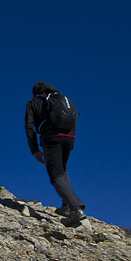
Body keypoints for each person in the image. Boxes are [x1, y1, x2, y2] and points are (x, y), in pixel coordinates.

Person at [25, 81, 86, 226]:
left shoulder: (34, 102)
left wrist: (34, 150)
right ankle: (66, 207)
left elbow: (29, 127)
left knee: (56, 175)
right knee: (62, 171)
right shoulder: (61, 98)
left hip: (51, 139)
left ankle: (76, 208)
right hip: (70, 137)